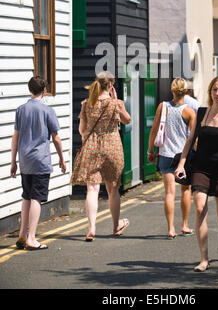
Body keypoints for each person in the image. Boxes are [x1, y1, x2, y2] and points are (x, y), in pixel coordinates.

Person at [175, 76, 218, 272]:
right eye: (214, 90)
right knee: (200, 207)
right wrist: (181, 165)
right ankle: (204, 259)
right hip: (200, 168)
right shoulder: (201, 112)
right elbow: (189, 141)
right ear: (210, 92)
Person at [71, 72, 131, 240]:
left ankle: (91, 229)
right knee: (113, 189)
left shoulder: (86, 104)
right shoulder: (116, 104)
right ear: (111, 85)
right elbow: (127, 120)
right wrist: (116, 100)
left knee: (92, 188)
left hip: (92, 148)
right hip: (112, 148)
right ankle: (116, 225)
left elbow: (82, 130)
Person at [10, 76, 66, 251]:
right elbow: (56, 138)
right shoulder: (48, 111)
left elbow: (15, 137)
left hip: (25, 159)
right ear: (44, 91)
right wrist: (62, 158)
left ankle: (21, 234)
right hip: (40, 160)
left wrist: (13, 161)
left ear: (29, 90)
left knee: (26, 196)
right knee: (37, 197)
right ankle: (32, 238)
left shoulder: (21, 110)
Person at [147, 78, 196, 239]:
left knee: (169, 192)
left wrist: (150, 151)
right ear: (186, 92)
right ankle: (185, 225)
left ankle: (170, 229)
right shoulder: (190, 111)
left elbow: (154, 130)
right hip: (183, 155)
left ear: (172, 91)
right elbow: (194, 137)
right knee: (185, 190)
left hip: (166, 153)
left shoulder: (163, 106)